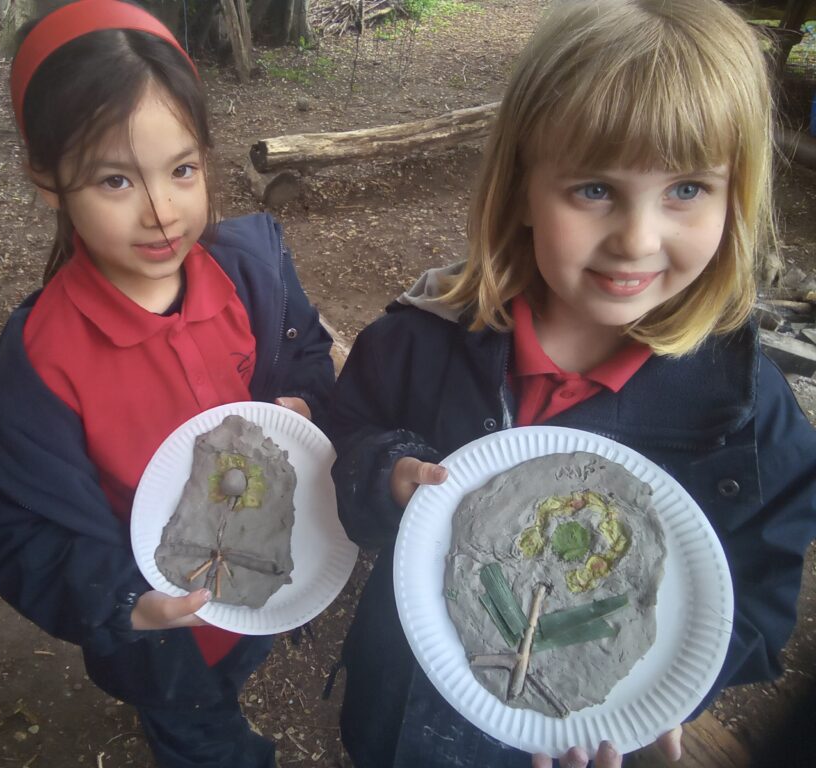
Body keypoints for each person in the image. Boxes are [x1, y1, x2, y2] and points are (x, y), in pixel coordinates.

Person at [324, 0, 816, 766]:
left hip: (574, 733)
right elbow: (347, 439)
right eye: (594, 189)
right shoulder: (417, 342)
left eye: (686, 189)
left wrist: (674, 686)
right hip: (400, 706)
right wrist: (387, 472)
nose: (637, 239)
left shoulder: (750, 416)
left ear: (736, 195)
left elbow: (756, 591)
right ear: (521, 186)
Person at [0, 1, 334, 766]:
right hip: (164, 641)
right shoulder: (40, 366)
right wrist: (123, 605)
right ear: (47, 181)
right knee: (199, 734)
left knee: (242, 662)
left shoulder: (250, 277)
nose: (160, 213)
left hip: (262, 577)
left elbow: (305, 356)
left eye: (181, 170)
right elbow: (15, 537)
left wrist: (304, 403)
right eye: (115, 180)